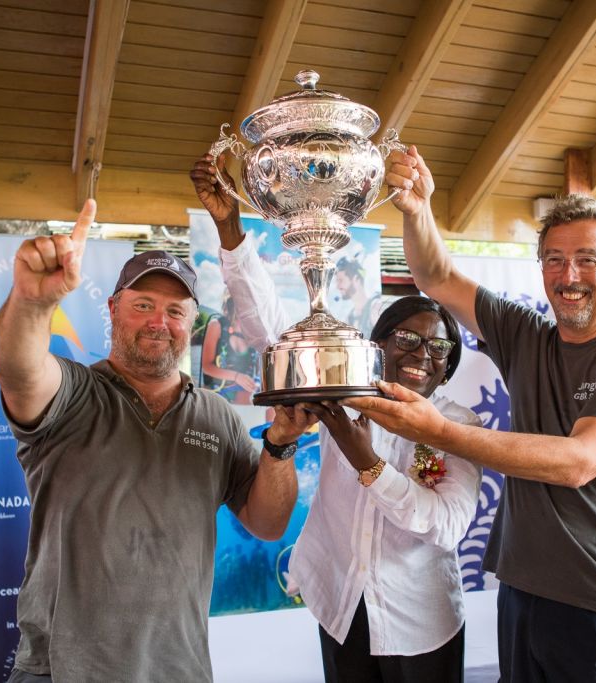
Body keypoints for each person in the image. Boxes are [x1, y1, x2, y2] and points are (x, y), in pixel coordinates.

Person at [342, 147, 596, 682]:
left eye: (586, 260)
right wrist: (417, 210)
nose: (568, 275)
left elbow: (578, 461)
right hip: (523, 596)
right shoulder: (527, 334)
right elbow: (435, 277)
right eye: (553, 259)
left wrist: (439, 432)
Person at [0, 199, 317, 683]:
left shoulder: (216, 415)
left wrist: (281, 443)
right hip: (61, 671)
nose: (158, 322)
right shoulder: (73, 393)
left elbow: (269, 523)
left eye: (174, 311)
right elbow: (18, 370)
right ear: (113, 309)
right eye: (143, 305)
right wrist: (32, 303)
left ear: (192, 322)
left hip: (178, 669)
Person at [192, 154, 482, 683]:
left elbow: (446, 526)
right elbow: (271, 328)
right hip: (341, 606)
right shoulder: (347, 391)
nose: (423, 355)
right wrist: (231, 231)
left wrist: (362, 455)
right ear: (377, 349)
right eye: (408, 340)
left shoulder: (459, 426)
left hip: (422, 622)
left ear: (449, 366)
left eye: (439, 347)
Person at [199, 293, 258, 404]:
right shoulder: (216, 326)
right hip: (216, 390)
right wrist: (237, 377)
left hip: (244, 392)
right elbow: (206, 367)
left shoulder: (254, 330)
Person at [334, 254, 384, 337]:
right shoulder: (350, 318)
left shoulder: (375, 308)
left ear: (356, 279)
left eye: (341, 280)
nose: (337, 286)